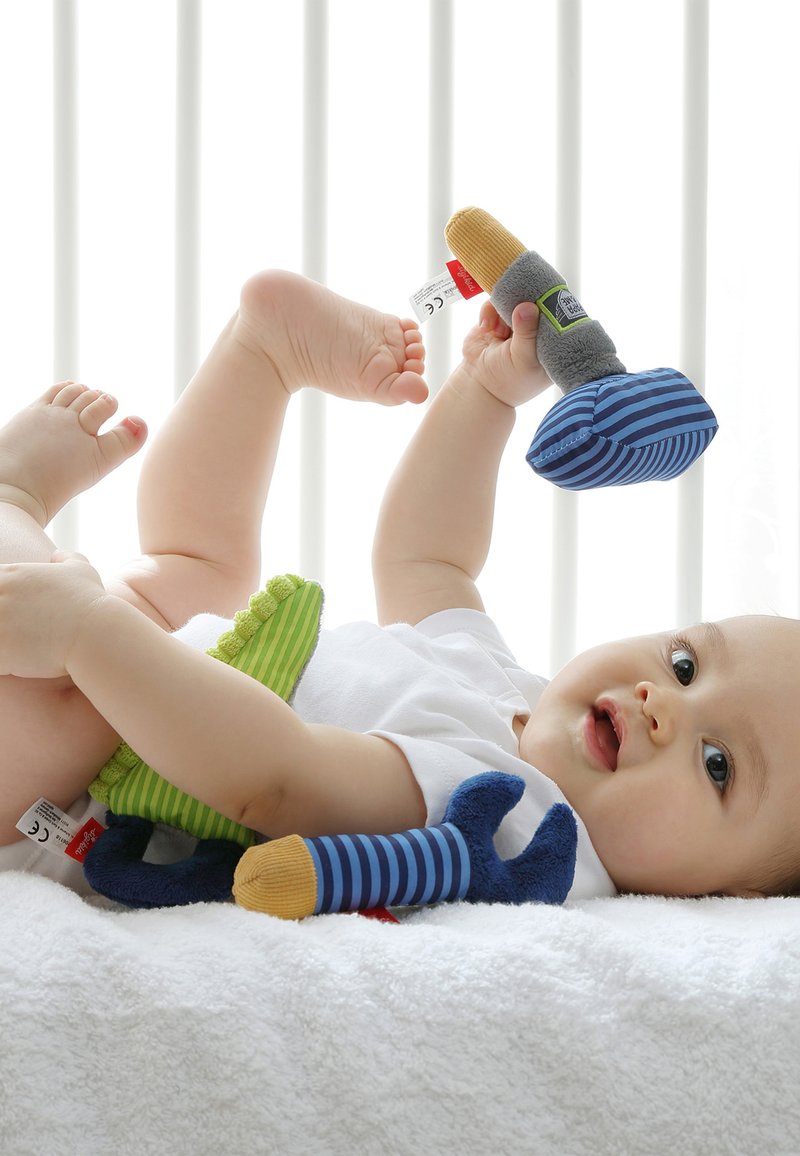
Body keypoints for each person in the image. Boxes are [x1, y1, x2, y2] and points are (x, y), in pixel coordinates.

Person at [0, 270, 798, 903]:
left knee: (54, 697)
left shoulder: (516, 818)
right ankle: (264, 348)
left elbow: (276, 779)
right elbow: (427, 561)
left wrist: (88, 634)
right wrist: (483, 396)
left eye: (720, 763)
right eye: (687, 665)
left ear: (728, 892)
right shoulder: (509, 695)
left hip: (90, 787)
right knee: (201, 566)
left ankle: (14, 500)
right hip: (165, 664)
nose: (667, 706)